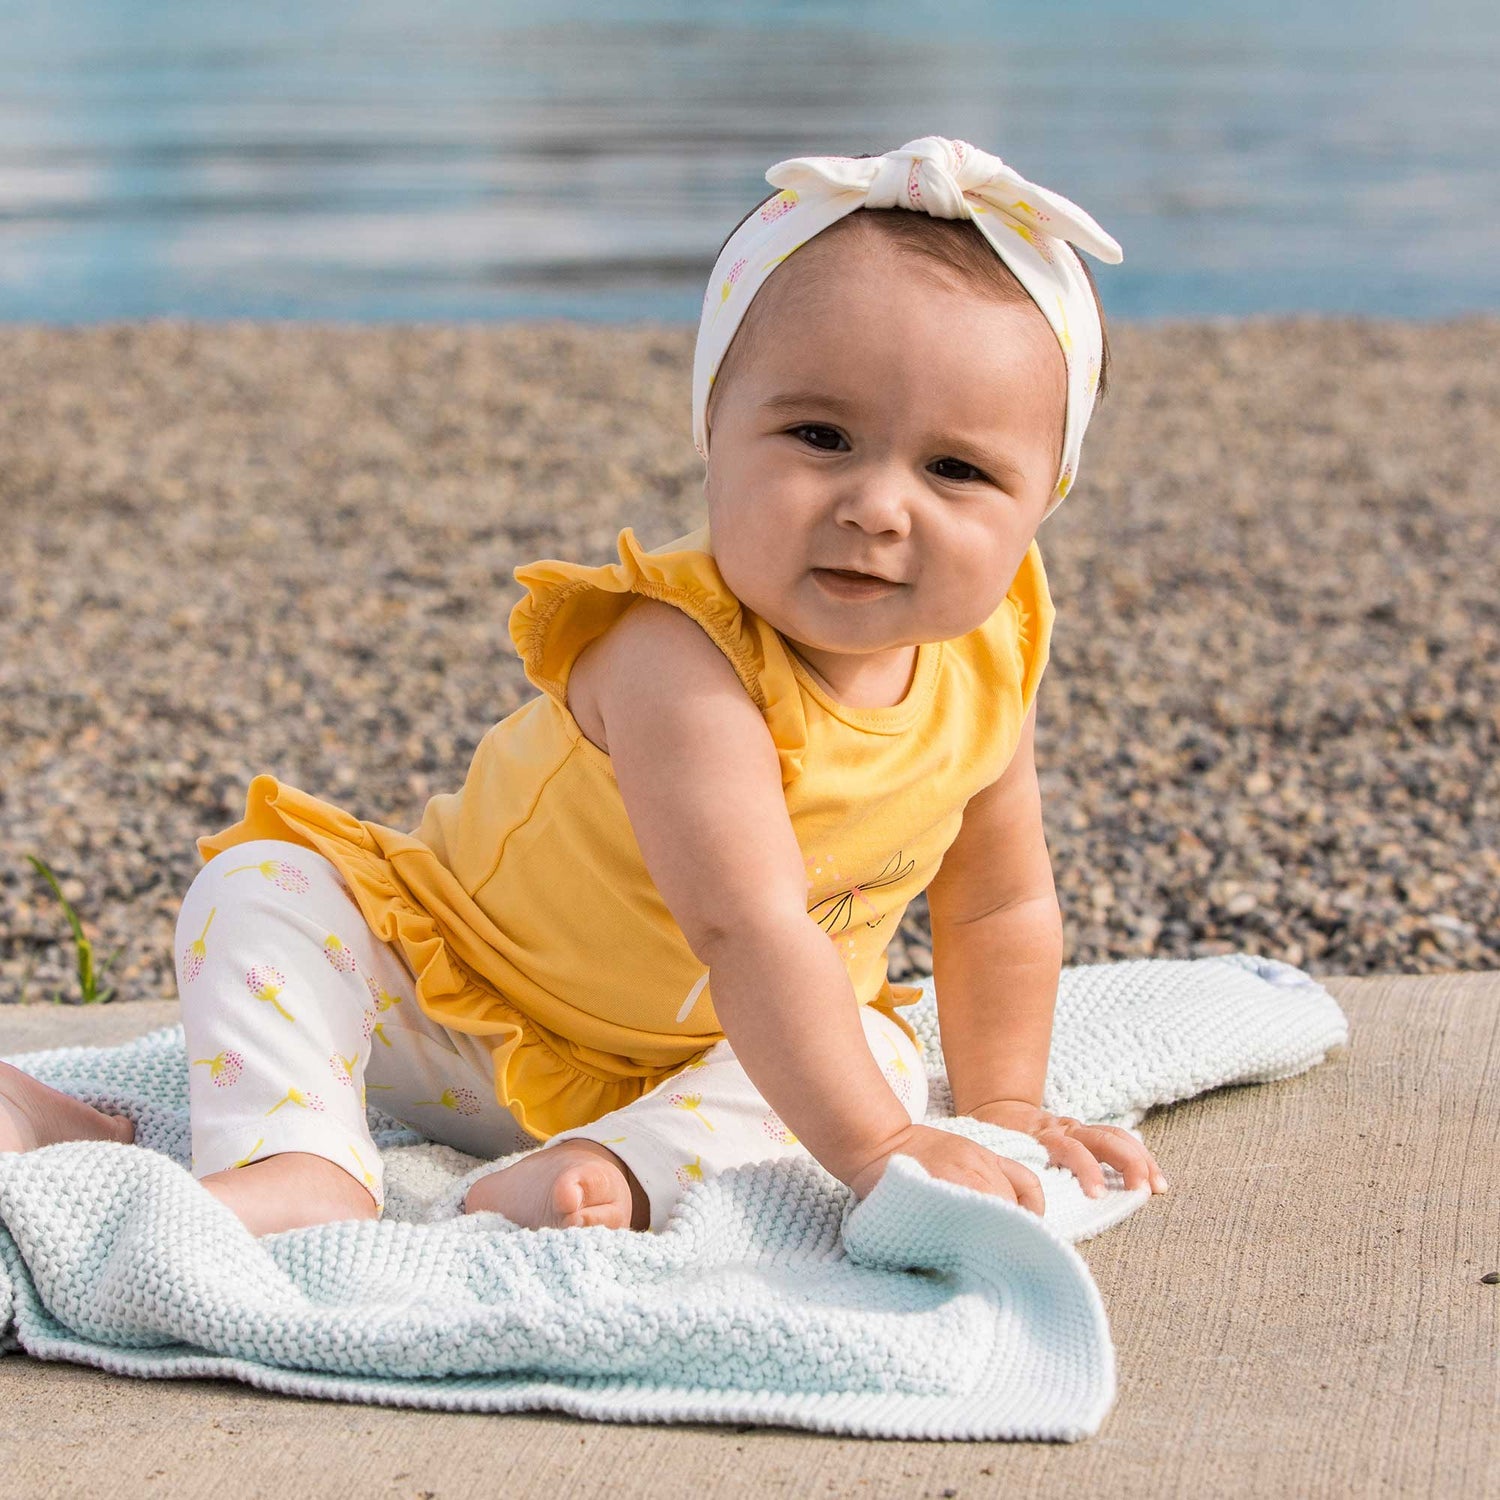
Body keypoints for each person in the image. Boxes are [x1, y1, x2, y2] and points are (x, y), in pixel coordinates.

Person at [0, 135, 1170, 1236]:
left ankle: (612, 1169)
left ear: (1043, 503)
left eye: (956, 469)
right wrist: (876, 1150)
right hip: (458, 1012)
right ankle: (297, 1158)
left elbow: (996, 903)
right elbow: (748, 922)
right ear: (713, 431)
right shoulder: (677, 653)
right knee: (264, 889)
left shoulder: (993, 653)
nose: (876, 506)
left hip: (728, 1056)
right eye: (820, 437)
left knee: (879, 1052)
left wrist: (1000, 1112)